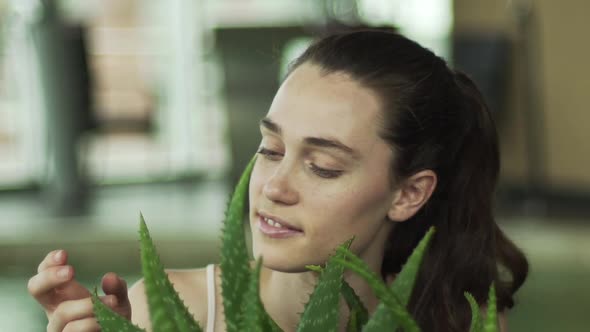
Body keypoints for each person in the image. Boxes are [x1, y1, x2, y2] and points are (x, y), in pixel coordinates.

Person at [28, 29, 528, 332]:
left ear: (409, 193)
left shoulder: (456, 320)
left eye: (323, 167)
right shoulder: (171, 314)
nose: (273, 188)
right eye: (270, 150)